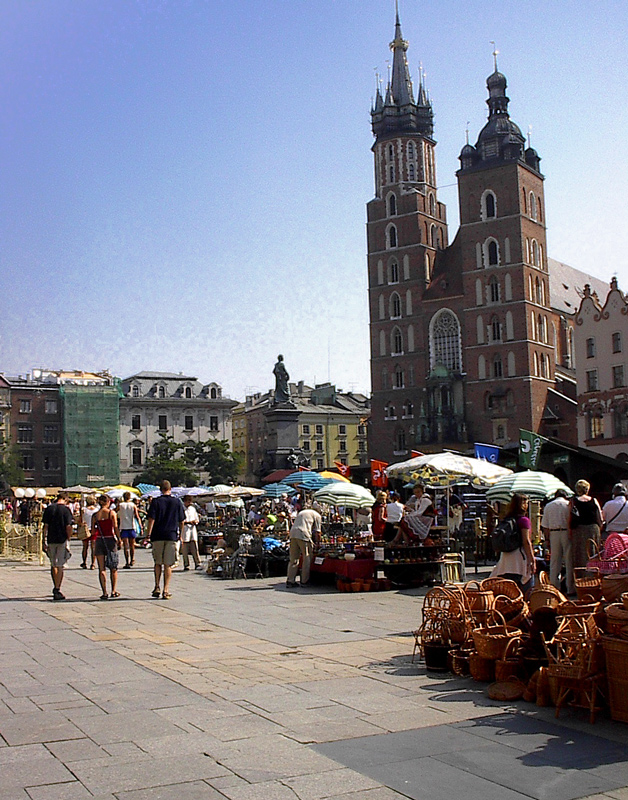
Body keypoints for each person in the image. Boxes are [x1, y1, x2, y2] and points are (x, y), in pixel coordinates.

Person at [146, 480, 185, 599]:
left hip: (157, 535)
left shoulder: (156, 502)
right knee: (168, 564)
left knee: (158, 563)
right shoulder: (177, 502)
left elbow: (151, 519)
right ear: (170, 488)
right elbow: (182, 520)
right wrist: (180, 534)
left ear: (160, 489)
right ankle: (166, 590)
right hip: (171, 535)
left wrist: (148, 534)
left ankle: (157, 586)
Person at [490, 492, 535, 589]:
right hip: (519, 559)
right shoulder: (524, 520)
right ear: (522, 505)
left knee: (509, 590)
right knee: (526, 588)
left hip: (506, 559)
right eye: (526, 503)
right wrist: (532, 559)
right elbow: (526, 541)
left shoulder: (507, 519)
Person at [540, 488, 574, 595]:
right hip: (566, 532)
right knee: (569, 560)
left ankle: (554, 587)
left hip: (554, 533)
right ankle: (570, 588)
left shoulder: (549, 506)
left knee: (555, 561)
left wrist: (547, 539)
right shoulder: (568, 505)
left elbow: (545, 526)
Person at [42, 492, 74, 601]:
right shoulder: (66, 510)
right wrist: (69, 538)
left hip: (51, 539)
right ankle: (57, 588)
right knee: (60, 564)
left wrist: (43, 540)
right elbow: (68, 526)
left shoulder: (49, 509)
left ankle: (55, 585)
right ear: (65, 499)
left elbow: (45, 526)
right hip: (62, 539)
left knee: (53, 564)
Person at [92, 495, 122, 600]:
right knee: (113, 567)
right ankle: (113, 591)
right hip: (110, 540)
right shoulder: (111, 513)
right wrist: (119, 539)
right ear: (108, 502)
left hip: (100, 540)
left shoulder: (95, 516)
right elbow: (116, 528)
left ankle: (104, 592)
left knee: (101, 568)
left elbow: (93, 532)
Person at [286, 502, 322, 588]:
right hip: (303, 534)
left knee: (293, 559)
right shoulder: (317, 515)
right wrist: (318, 543)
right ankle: (304, 581)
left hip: (293, 533)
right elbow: (318, 532)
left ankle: (290, 580)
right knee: (307, 557)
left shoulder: (303, 512)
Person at [569, 479, 603, 570]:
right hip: (593, 529)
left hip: (578, 530)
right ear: (587, 489)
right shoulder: (594, 500)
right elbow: (600, 518)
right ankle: (593, 574)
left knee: (579, 553)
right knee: (592, 552)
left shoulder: (573, 501)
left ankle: (580, 575)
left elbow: (570, 517)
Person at [117, 491, 141, 568]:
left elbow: (114, 511)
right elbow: (137, 516)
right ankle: (132, 559)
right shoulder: (133, 505)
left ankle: (127, 561)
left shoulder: (120, 505)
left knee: (125, 546)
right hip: (132, 526)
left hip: (123, 527)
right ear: (129, 497)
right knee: (132, 545)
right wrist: (140, 526)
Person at [181, 495, 201, 570]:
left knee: (195, 548)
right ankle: (186, 564)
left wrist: (196, 521)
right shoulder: (182, 509)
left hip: (192, 530)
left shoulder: (193, 509)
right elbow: (180, 521)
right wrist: (188, 522)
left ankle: (197, 563)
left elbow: (197, 518)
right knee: (185, 549)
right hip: (185, 530)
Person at [80, 494, 98, 569]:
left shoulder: (83, 509)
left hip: (86, 529)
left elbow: (81, 520)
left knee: (85, 547)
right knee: (93, 547)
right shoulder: (97, 510)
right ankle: (93, 564)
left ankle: (84, 562)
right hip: (94, 529)